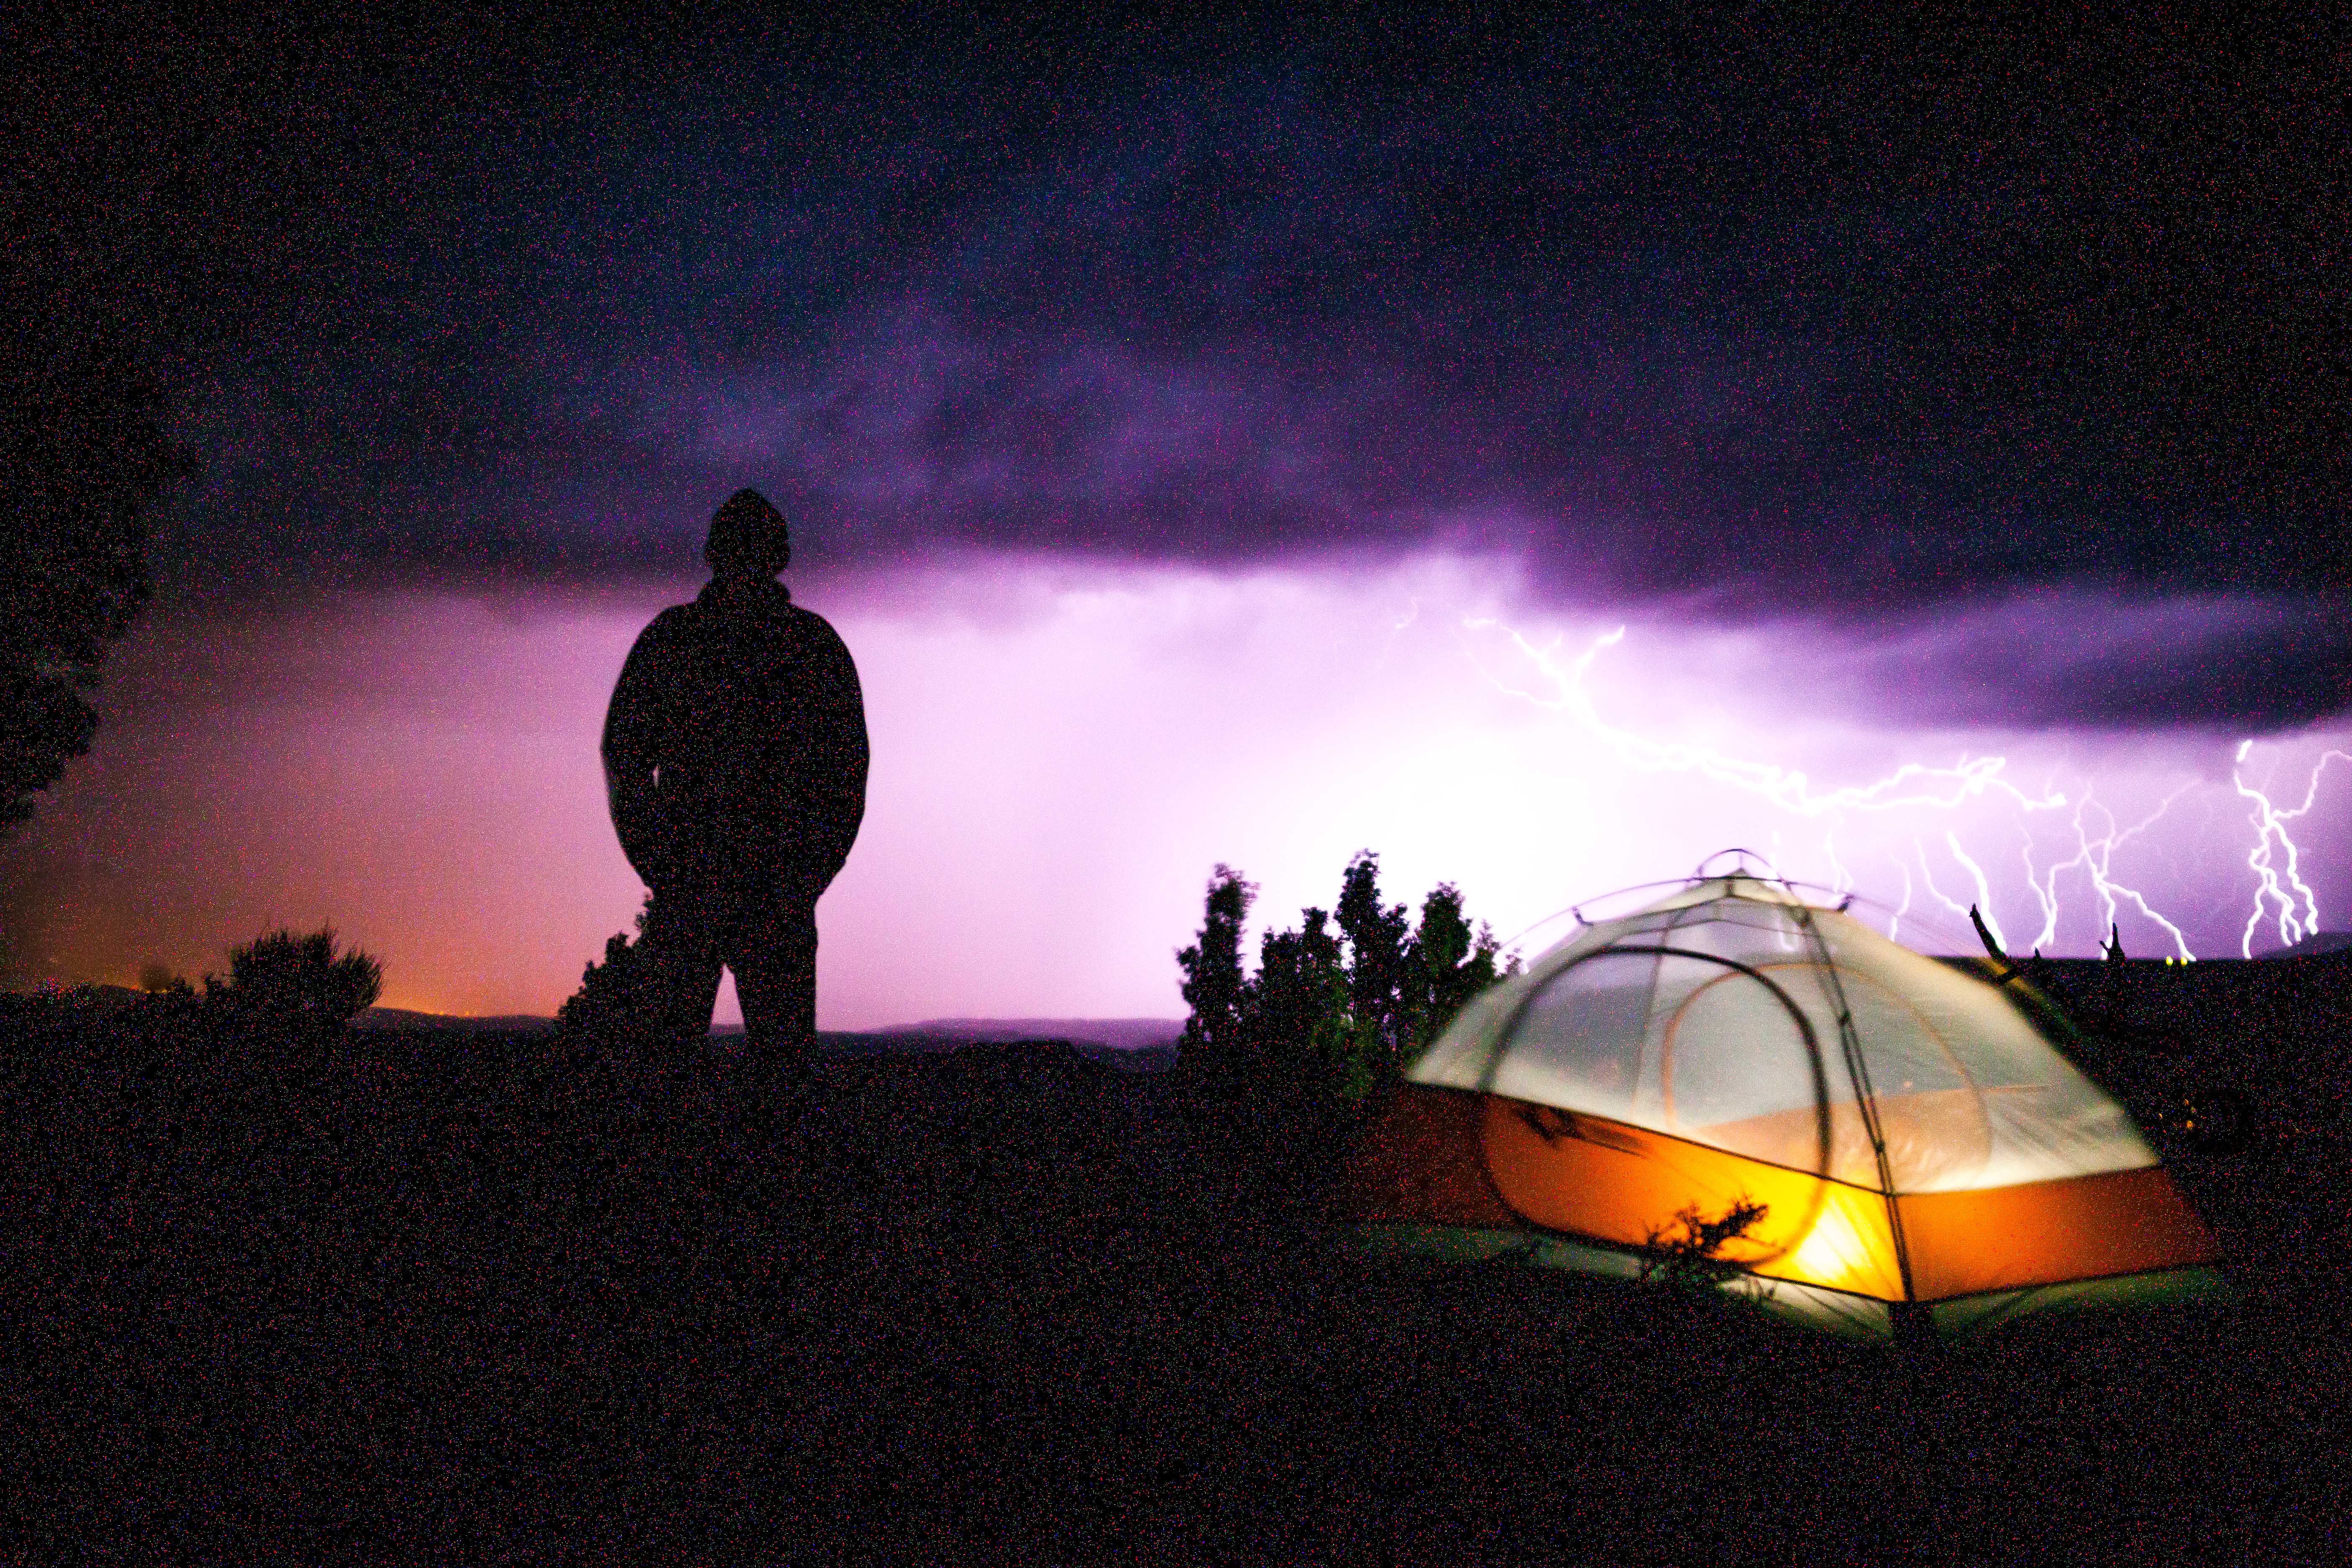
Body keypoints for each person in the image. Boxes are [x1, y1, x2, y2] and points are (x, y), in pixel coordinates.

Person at [601, 488, 868, 1079]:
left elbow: (624, 758)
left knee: (669, 1078)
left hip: (711, 884)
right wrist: (804, 875)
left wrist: (662, 865)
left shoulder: (674, 640)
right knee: (777, 1077)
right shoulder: (812, 647)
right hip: (757, 887)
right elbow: (847, 776)